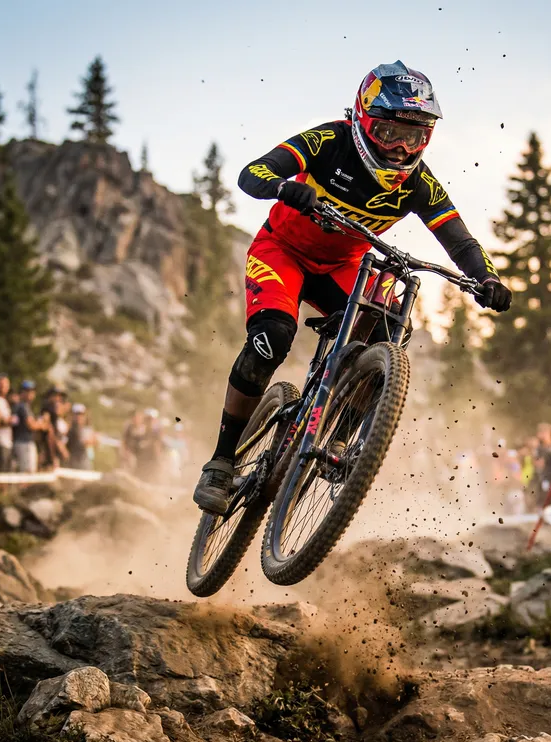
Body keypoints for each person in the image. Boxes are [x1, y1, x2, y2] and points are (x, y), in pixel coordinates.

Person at [193, 60, 512, 514]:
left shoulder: (418, 184)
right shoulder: (330, 139)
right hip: (281, 251)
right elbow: (252, 174)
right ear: (362, 118)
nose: (401, 148)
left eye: (415, 136)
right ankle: (221, 464)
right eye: (388, 133)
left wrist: (487, 279)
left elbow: (458, 239)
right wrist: (285, 187)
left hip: (343, 265)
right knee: (273, 338)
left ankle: (340, 434)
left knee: (386, 330)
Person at [13, 380, 46, 474]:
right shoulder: (23, 406)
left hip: (24, 442)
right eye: (26, 391)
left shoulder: (25, 406)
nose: (29, 394)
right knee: (28, 471)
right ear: (21, 392)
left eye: (31, 391)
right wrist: (41, 424)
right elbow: (31, 425)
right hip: (24, 443)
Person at [0, 373, 15, 473]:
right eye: (0, 385)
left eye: (5, 385)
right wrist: (8, 421)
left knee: (6, 472)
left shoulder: (5, 402)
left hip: (8, 442)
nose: (3, 388)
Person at [67, 403, 95, 470]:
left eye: (81, 414)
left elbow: (93, 442)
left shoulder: (88, 429)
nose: (79, 417)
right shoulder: (69, 430)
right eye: (77, 414)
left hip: (85, 462)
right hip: (73, 463)